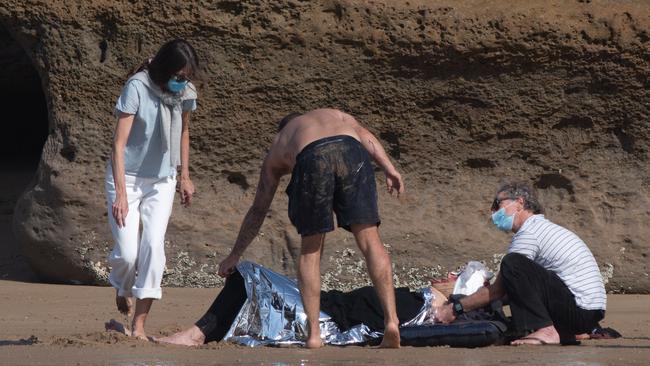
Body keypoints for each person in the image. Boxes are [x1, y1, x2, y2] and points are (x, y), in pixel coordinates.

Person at [216, 109, 404, 348]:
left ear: (285, 128)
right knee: (370, 241)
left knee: (310, 251)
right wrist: (389, 168)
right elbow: (364, 134)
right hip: (351, 149)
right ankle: (391, 322)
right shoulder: (334, 114)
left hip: (313, 158)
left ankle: (314, 335)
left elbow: (258, 209)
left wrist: (235, 254)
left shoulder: (281, 141)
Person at [104, 39, 200, 340]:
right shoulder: (137, 87)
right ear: (165, 68)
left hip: (162, 179)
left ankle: (139, 327)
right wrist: (120, 193)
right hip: (127, 178)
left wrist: (184, 175)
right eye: (179, 75)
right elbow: (118, 145)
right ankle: (122, 286)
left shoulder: (185, 91)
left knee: (153, 248)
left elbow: (184, 132)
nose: (182, 81)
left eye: (187, 76)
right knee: (128, 254)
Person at [435, 182, 607, 345]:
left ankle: (547, 330)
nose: (493, 211)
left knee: (512, 263)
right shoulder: (541, 228)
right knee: (512, 276)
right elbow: (518, 290)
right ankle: (564, 330)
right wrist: (476, 301)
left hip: (580, 311)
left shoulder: (530, 232)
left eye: (497, 204)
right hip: (588, 314)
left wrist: (454, 309)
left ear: (519, 203)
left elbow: (497, 290)